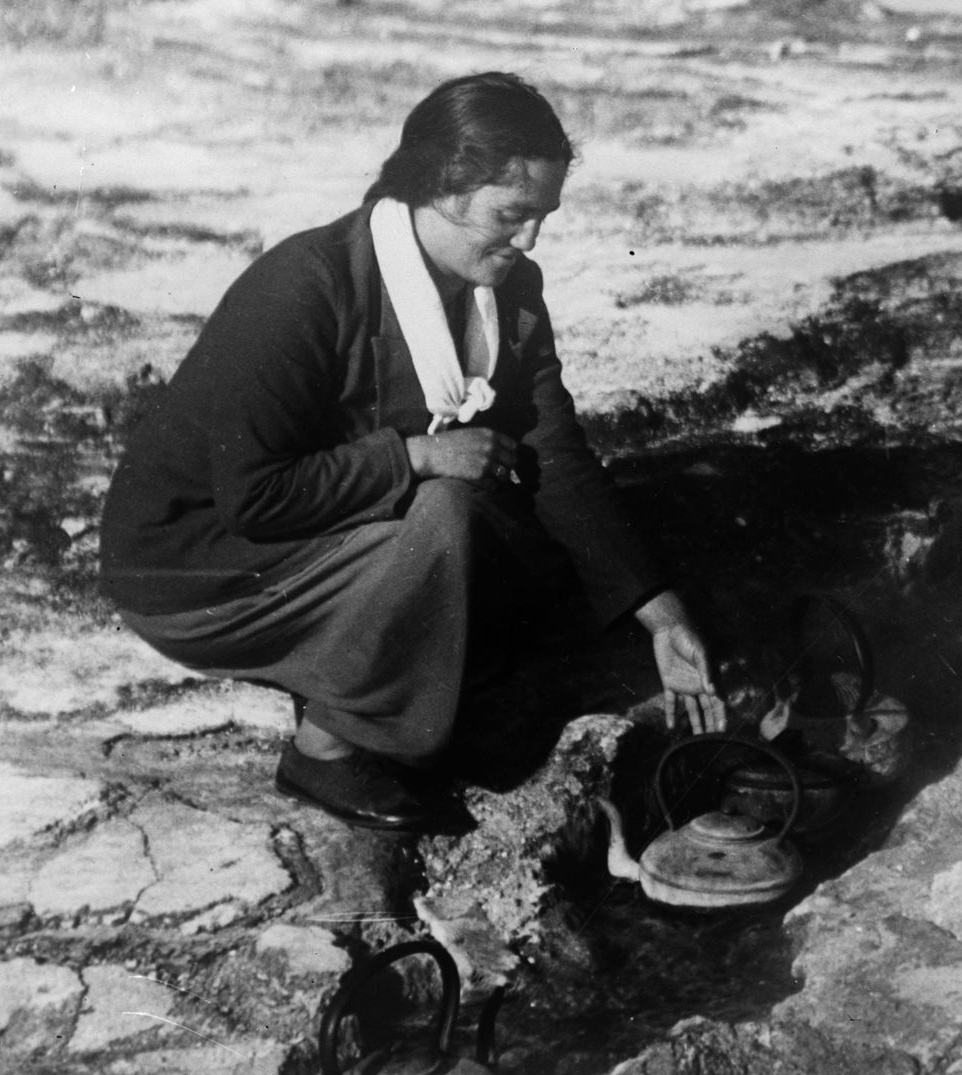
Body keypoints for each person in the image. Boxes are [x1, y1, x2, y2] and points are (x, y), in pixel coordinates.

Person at [99, 71, 726, 833]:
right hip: (199, 568)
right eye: (512, 214)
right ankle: (326, 746)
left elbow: (554, 454)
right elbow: (255, 496)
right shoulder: (305, 286)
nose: (530, 239)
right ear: (442, 184)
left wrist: (661, 615)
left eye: (543, 217)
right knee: (451, 507)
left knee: (526, 547)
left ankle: (377, 662)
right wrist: (418, 459)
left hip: (309, 533)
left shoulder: (511, 293)